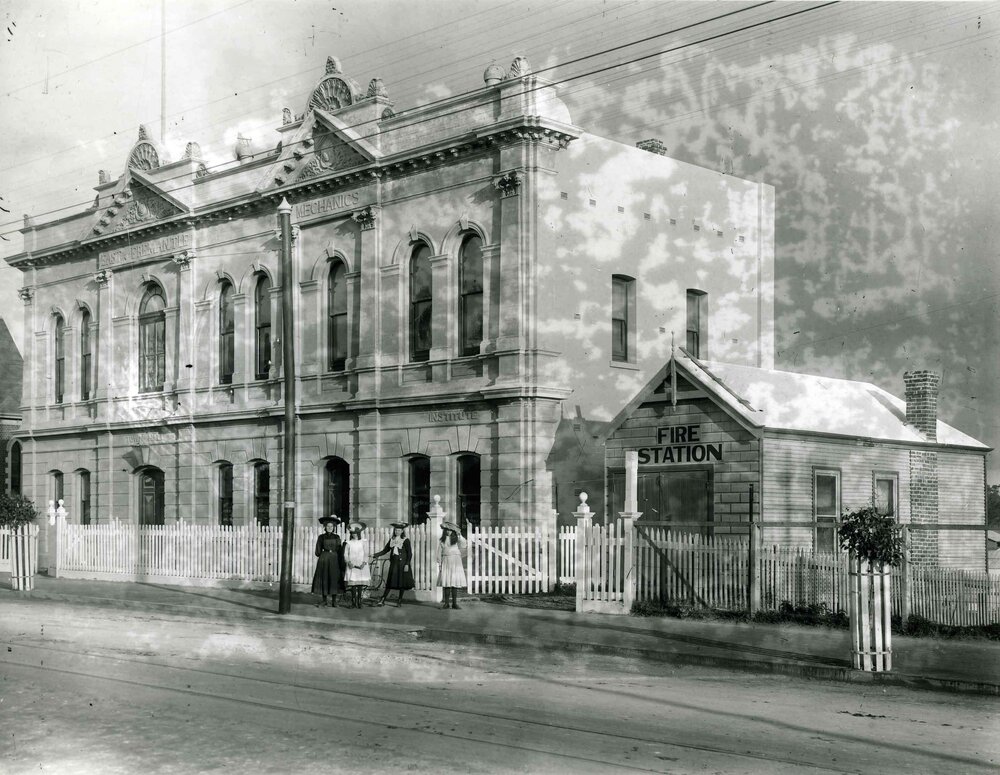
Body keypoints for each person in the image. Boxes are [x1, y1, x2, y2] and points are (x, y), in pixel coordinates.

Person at [372, 521, 414, 607]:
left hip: (402, 564)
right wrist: (375, 555)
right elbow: (385, 550)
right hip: (394, 564)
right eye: (396, 530)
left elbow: (409, 553)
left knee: (401, 582)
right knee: (390, 582)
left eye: (399, 530)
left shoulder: (405, 540)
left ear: (402, 531)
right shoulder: (392, 540)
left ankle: (399, 601)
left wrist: (407, 564)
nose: (397, 532)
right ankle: (383, 599)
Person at [310, 516, 344, 607]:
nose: (330, 528)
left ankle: (334, 601)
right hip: (324, 559)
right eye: (328, 526)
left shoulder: (337, 537)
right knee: (324, 578)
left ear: (334, 527)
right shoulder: (321, 537)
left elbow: (339, 550)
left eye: (331, 526)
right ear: (325, 527)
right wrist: (324, 555)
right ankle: (324, 600)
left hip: (334, 559)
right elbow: (317, 551)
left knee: (334, 578)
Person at [436, 521, 467, 609]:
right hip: (446, 560)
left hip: (455, 561)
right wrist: (440, 564)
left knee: (454, 582)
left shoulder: (457, 539)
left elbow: (464, 544)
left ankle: (454, 603)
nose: (448, 532)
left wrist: (459, 535)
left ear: (453, 531)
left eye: (450, 530)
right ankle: (446, 603)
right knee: (446, 583)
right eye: (446, 530)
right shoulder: (442, 540)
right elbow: (439, 553)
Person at [342, 521, 371, 609]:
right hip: (352, 565)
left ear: (359, 533)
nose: (355, 535)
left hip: (361, 565)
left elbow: (366, 553)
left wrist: (364, 563)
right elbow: (345, 554)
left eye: (356, 533)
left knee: (360, 585)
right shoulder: (348, 543)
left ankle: (359, 602)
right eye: (353, 533)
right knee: (353, 584)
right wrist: (348, 562)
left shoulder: (363, 542)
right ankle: (353, 602)